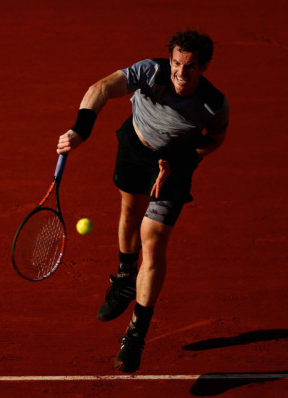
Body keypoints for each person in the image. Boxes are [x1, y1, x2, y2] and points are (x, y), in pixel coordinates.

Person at [56, 29, 229, 373]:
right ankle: (123, 279)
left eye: (191, 66)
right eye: (177, 63)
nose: (182, 73)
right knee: (129, 212)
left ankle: (135, 333)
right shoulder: (150, 72)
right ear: (170, 60)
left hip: (174, 165)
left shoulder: (213, 105)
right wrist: (81, 130)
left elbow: (214, 141)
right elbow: (101, 88)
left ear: (203, 67)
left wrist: (182, 161)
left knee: (152, 241)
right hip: (134, 149)